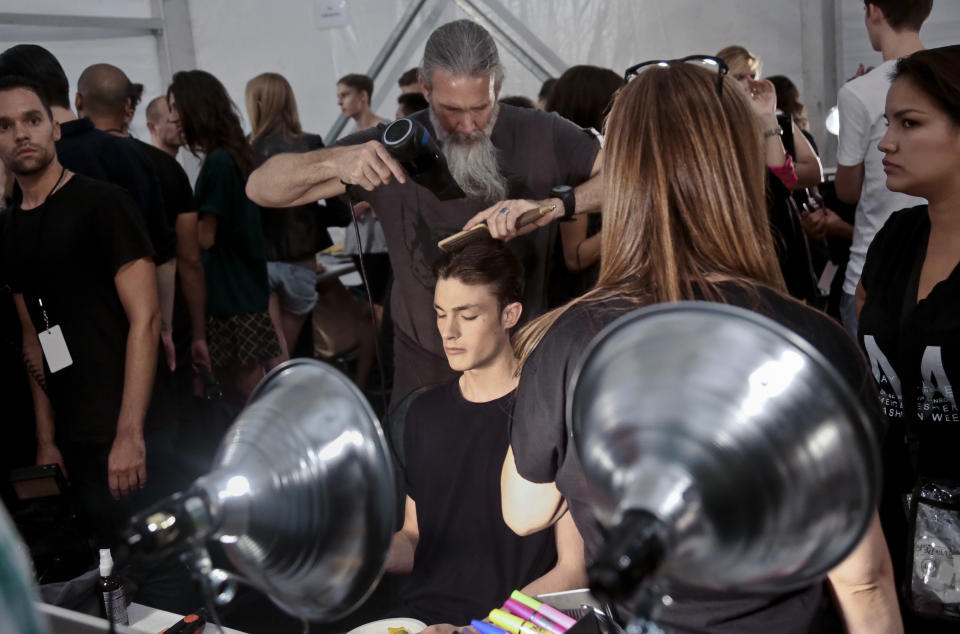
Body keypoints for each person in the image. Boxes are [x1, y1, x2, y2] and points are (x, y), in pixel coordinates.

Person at [494, 59, 901, 633]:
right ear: (737, 167)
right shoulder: (813, 342)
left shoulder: (567, 341)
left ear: (621, 176)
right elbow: (862, 578)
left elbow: (523, 513)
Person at [247, 19, 602, 410]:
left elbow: (635, 179)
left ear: (497, 86)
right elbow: (260, 187)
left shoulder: (544, 133)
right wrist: (336, 161)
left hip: (520, 374)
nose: (467, 125)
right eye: (451, 110)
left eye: (481, 108)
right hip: (424, 381)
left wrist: (552, 207)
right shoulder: (391, 142)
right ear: (426, 88)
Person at [0, 76, 191, 611]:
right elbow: (36, 333)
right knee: (109, 578)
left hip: (138, 427)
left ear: (55, 126)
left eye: (31, 120)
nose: (21, 134)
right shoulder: (11, 227)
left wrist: (128, 434)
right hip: (77, 439)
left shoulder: (102, 204)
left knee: (164, 572)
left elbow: (146, 317)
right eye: (5, 126)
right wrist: (46, 440)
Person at [384, 237, 585, 629]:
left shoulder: (548, 414)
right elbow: (414, 539)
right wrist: (352, 559)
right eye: (441, 314)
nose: (449, 331)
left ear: (509, 315)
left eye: (468, 315)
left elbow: (573, 573)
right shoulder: (422, 413)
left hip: (507, 625)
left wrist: (480, 629)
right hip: (421, 618)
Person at [857, 45, 960, 633]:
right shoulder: (897, 237)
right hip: (897, 521)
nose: (886, 143)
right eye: (887, 123)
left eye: (910, 124)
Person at [75, 63, 207, 376]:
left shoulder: (60, 162)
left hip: (83, 325)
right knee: (168, 411)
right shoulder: (162, 166)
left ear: (78, 102)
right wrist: (186, 331)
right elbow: (185, 258)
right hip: (156, 316)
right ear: (128, 107)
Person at [168, 70, 280, 406]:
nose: (173, 117)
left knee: (249, 391)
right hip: (245, 287)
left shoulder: (218, 162)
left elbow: (205, 238)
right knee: (251, 386)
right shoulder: (235, 153)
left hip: (231, 295)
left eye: (176, 107)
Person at [835, 0, 931, 338]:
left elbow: (846, 191)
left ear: (873, 10)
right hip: (938, 263)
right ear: (927, 12)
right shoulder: (946, 75)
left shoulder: (859, 92)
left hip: (873, 269)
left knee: (876, 388)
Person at [244, 72, 352, 367]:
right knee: (290, 357)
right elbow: (341, 212)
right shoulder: (311, 143)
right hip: (300, 261)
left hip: (258, 261)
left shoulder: (243, 150)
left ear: (254, 103)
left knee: (272, 357)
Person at [543, 65, 623, 306]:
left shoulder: (572, 158)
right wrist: (626, 222)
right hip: (579, 298)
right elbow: (575, 256)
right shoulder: (581, 169)